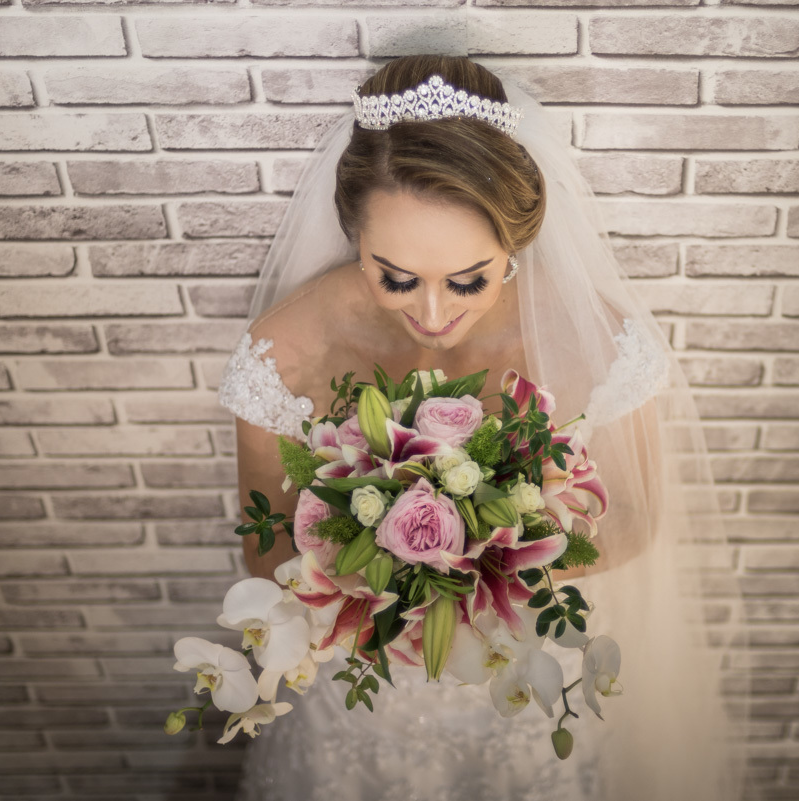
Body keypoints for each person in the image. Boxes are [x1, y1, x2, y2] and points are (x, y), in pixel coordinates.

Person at [216, 54, 750, 801]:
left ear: (514, 246)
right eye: (396, 277)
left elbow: (634, 517)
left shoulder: (592, 340)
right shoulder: (284, 352)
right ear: (354, 235)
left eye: (469, 279)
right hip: (369, 680)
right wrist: (388, 591)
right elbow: (265, 546)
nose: (433, 314)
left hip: (524, 663)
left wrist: (481, 570)